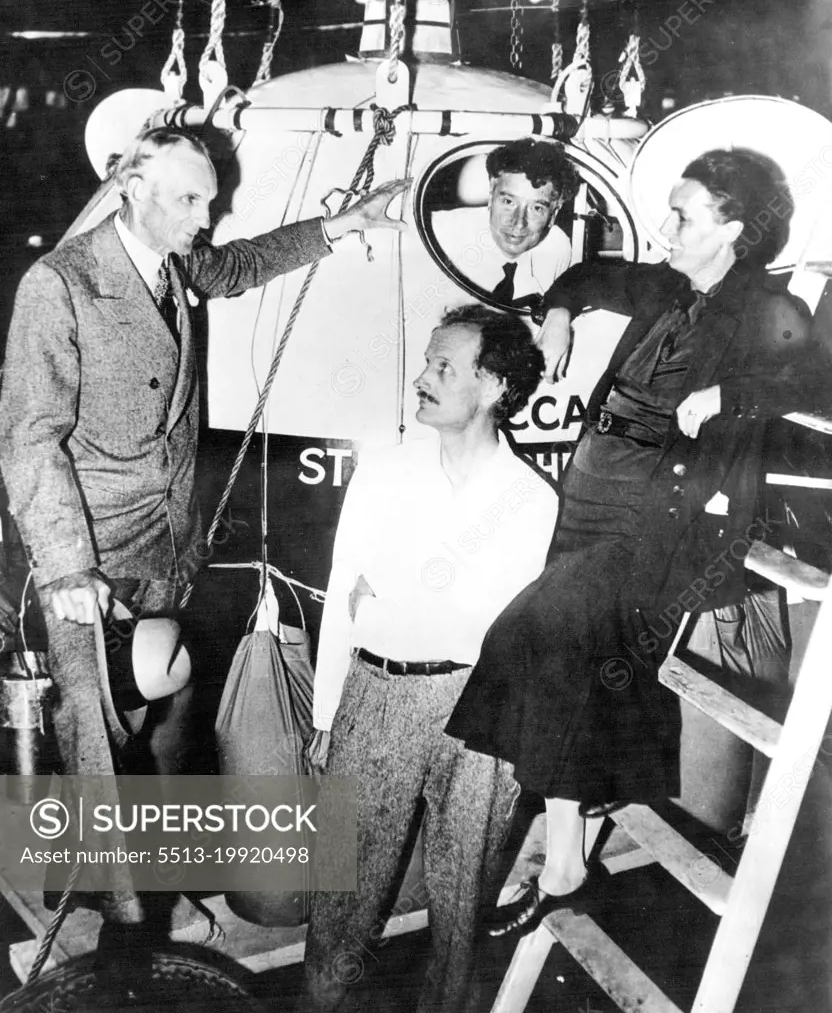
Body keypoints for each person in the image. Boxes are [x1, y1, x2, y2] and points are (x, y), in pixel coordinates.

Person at [0, 128, 407, 946]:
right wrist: (69, 567)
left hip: (165, 538)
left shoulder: (177, 262)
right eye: (190, 199)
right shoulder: (62, 285)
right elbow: (29, 437)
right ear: (131, 187)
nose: (205, 215)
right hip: (87, 550)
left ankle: (118, 878)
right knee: (97, 731)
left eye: (210, 199)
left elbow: (240, 265)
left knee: (163, 711)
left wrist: (343, 225)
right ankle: (130, 919)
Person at [445, 147, 832, 936]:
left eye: (683, 215)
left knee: (536, 630)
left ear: (731, 227)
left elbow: (817, 380)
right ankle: (567, 852)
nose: (665, 225)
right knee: (574, 654)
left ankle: (563, 856)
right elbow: (588, 276)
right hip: (590, 493)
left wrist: (730, 392)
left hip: (665, 516)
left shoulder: (767, 307)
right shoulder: (663, 283)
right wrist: (556, 312)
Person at [302, 304, 559, 1012]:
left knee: (461, 913)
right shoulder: (382, 474)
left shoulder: (530, 501)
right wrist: (328, 714)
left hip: (481, 713)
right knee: (340, 905)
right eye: (426, 362)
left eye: (443, 367)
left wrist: (392, 597)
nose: (421, 377)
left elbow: (508, 639)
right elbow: (342, 595)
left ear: (494, 386)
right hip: (377, 697)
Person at [430, 137, 580, 308]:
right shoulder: (441, 231)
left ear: (553, 215)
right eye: (509, 202)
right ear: (490, 197)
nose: (518, 223)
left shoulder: (557, 247)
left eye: (536, 208)